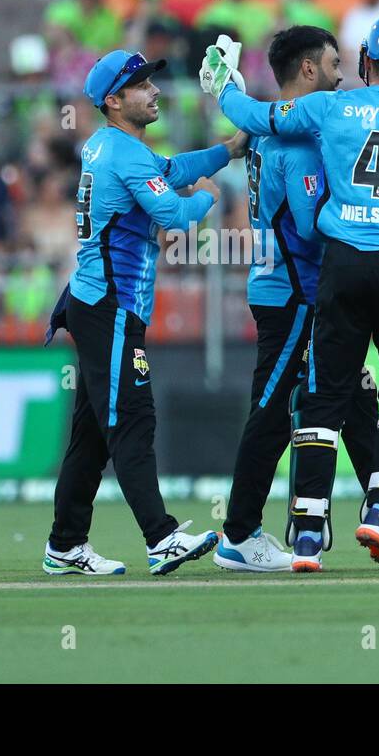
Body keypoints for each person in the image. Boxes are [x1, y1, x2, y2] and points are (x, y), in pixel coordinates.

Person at [202, 13, 379, 570]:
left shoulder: (327, 113)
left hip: (335, 273)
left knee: (340, 398)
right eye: (331, 64)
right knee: (327, 402)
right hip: (327, 281)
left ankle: (341, 521)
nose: (340, 73)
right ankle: (256, 529)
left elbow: (251, 114)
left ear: (372, 58)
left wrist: (225, 85)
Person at [43, 48, 246, 576]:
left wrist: (227, 149)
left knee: (92, 433)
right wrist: (208, 197)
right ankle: (161, 537)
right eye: (141, 86)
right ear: (113, 100)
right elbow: (175, 212)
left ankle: (65, 544)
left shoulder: (108, 146)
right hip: (110, 307)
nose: (154, 90)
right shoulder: (123, 153)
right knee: (132, 420)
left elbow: (171, 168)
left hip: (97, 303)